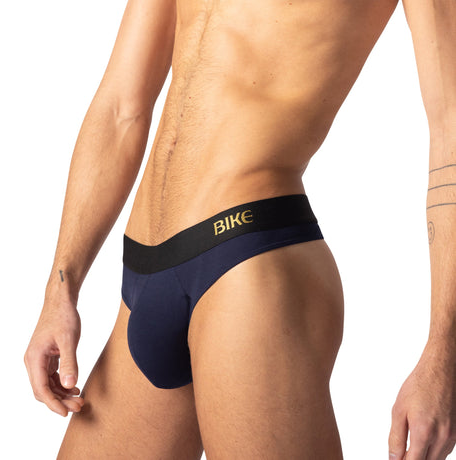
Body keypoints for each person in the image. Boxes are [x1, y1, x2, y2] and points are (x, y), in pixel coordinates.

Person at [24, 0, 456, 458]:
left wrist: (444, 356)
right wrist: (61, 289)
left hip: (249, 265)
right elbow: (120, 108)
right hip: (144, 276)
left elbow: (450, 125)